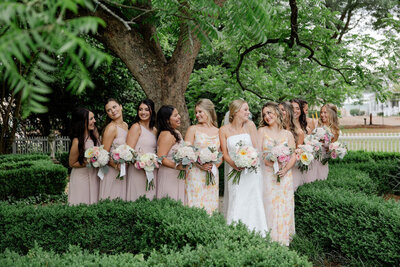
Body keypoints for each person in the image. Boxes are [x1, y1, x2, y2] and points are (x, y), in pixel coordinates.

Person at [219, 99, 268, 236]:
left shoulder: (250, 126)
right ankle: (235, 233)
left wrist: (250, 159)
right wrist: (234, 164)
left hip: (252, 172)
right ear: (235, 112)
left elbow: (256, 149)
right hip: (235, 171)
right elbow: (225, 154)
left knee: (253, 200)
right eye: (245, 110)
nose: (248, 112)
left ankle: (259, 233)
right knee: (237, 200)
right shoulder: (223, 130)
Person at [259, 102, 296, 246]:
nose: (267, 116)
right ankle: (270, 239)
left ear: (277, 113)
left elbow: (293, 155)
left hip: (285, 176)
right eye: (264, 115)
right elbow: (259, 153)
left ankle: (284, 239)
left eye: (269, 113)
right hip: (269, 175)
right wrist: (272, 163)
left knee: (284, 206)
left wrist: (285, 169)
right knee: (271, 206)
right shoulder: (262, 131)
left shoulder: (287, 134)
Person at [185, 99, 221, 215]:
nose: (197, 115)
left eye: (200, 112)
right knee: (195, 205)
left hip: (212, 174)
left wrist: (213, 167)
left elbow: (222, 154)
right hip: (195, 173)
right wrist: (200, 165)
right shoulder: (193, 129)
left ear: (209, 111)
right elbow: (187, 151)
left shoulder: (219, 131)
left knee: (210, 206)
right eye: (196, 112)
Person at [126, 99, 157, 201]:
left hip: (152, 169)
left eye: (146, 109)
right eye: (140, 109)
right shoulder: (136, 127)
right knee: (137, 197)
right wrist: (141, 162)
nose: (143, 112)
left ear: (151, 111)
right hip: (138, 169)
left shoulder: (155, 129)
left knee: (150, 197)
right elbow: (129, 151)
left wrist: (152, 162)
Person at [68, 108, 100, 205]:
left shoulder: (94, 136)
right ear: (83, 121)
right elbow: (72, 163)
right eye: (91, 119)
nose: (94, 121)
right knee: (81, 203)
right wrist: (89, 162)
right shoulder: (77, 141)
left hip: (94, 175)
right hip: (81, 177)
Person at [99, 99, 128, 200]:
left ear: (121, 106)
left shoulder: (126, 125)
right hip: (113, 171)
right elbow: (104, 155)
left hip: (123, 170)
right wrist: (116, 166)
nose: (113, 111)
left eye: (114, 107)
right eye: (109, 110)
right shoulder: (111, 128)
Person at [156, 105, 186, 202]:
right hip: (169, 176)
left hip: (177, 175)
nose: (179, 117)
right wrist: (177, 166)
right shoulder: (167, 134)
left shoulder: (176, 132)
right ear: (167, 120)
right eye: (175, 115)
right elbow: (161, 158)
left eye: (178, 114)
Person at [279, 101, 304, 191]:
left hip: (291, 170)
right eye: (278, 110)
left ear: (289, 111)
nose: (280, 112)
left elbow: (297, 154)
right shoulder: (275, 130)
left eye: (283, 109)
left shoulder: (299, 132)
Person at [314, 104, 340, 181]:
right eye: (321, 112)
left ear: (332, 113)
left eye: (325, 112)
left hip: (322, 161)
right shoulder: (316, 124)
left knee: (320, 181)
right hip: (311, 158)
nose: (322, 115)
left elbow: (330, 150)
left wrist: (334, 150)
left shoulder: (335, 131)